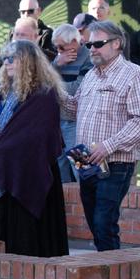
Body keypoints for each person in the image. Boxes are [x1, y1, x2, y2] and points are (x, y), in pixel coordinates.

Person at [0, 41, 69, 257]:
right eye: (5, 59)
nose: (7, 63)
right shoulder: (1, 89)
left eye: (12, 58)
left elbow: (37, 136)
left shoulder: (44, 94)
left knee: (25, 240)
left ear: (28, 62)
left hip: (26, 172)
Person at [62, 20, 140, 251]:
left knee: (104, 222)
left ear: (117, 44)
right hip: (85, 160)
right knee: (94, 222)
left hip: (116, 162)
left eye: (98, 44)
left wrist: (108, 145)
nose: (92, 49)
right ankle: (105, 264)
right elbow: (73, 110)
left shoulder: (135, 74)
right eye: (89, 45)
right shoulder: (91, 76)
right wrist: (53, 91)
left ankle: (111, 269)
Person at [50, 25, 93, 183]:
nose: (58, 50)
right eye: (56, 47)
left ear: (75, 41)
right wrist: (56, 64)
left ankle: (88, 197)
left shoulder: (89, 58)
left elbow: (77, 90)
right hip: (57, 120)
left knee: (82, 170)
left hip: (76, 122)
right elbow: (43, 81)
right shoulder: (59, 58)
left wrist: (52, 85)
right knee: (60, 169)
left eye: (61, 47)